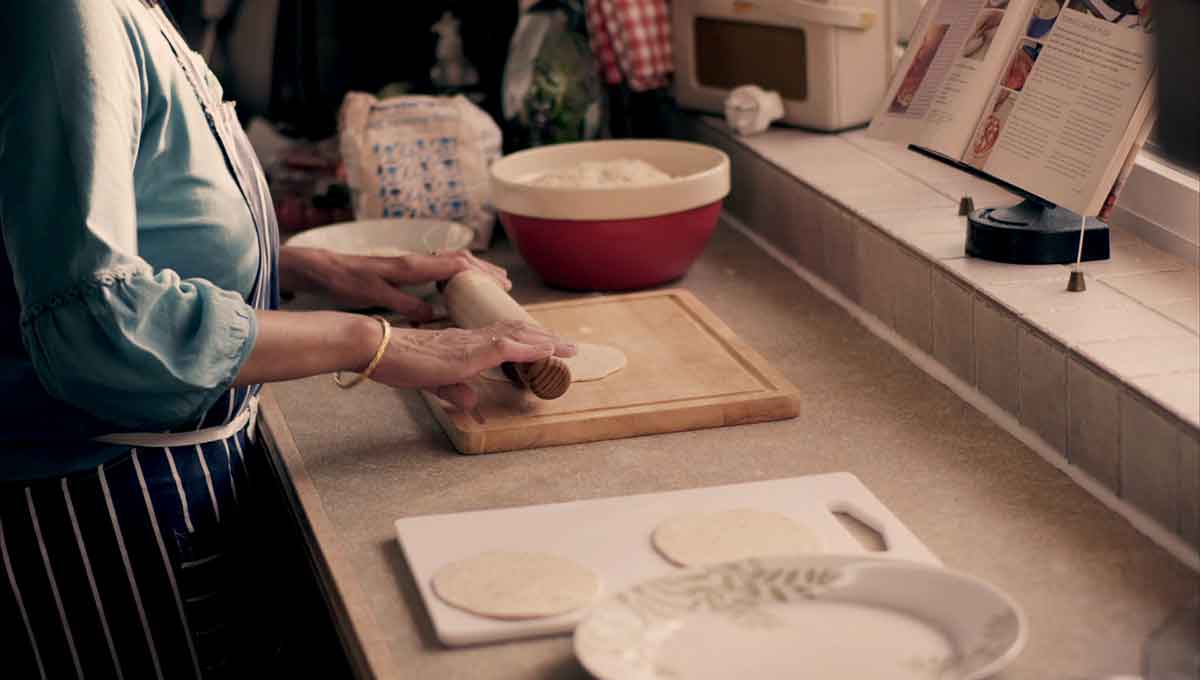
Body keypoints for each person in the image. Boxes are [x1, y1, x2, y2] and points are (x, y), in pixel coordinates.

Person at [0, 1, 575, 677]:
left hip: (175, 483)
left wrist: (300, 266)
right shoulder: (65, 13)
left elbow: (111, 225)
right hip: (104, 507)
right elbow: (92, 324)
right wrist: (369, 341)